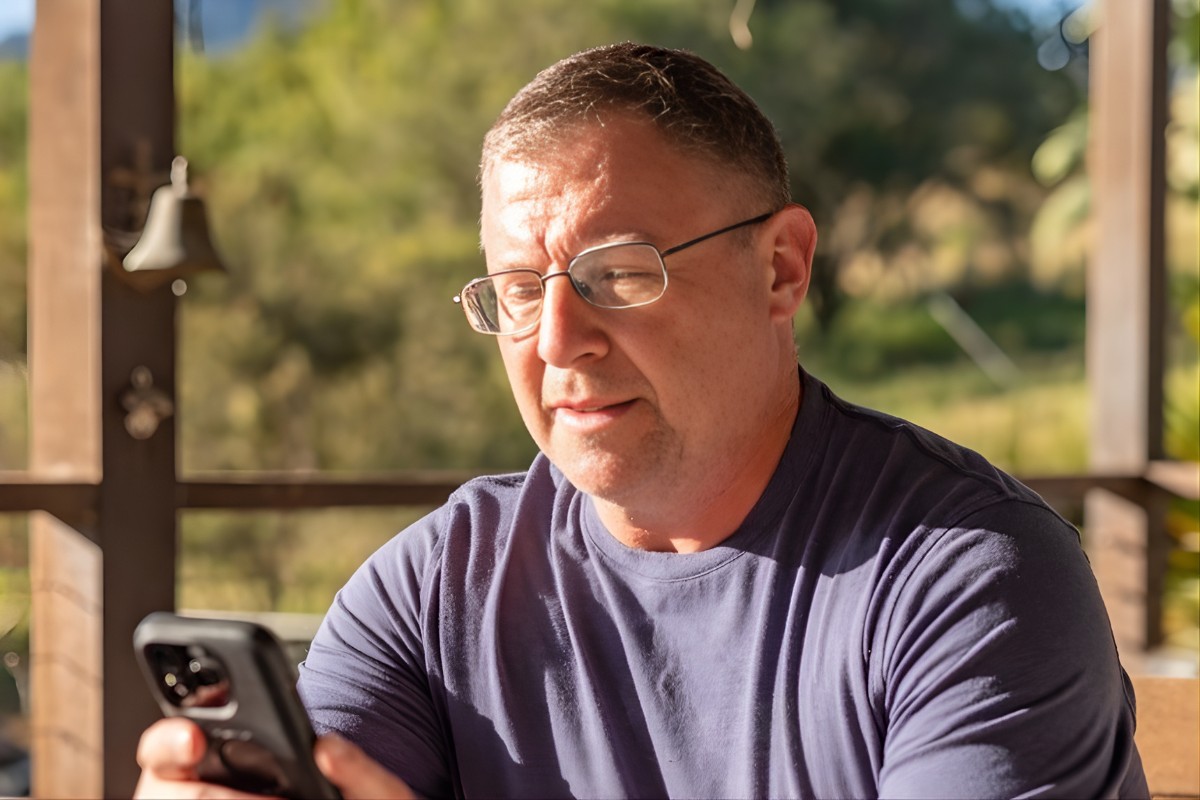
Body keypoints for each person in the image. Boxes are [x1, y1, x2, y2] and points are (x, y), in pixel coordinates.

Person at [136, 42, 1147, 799]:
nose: (558, 339)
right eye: (519, 290)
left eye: (618, 273)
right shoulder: (434, 589)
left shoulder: (966, 577)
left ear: (782, 269)